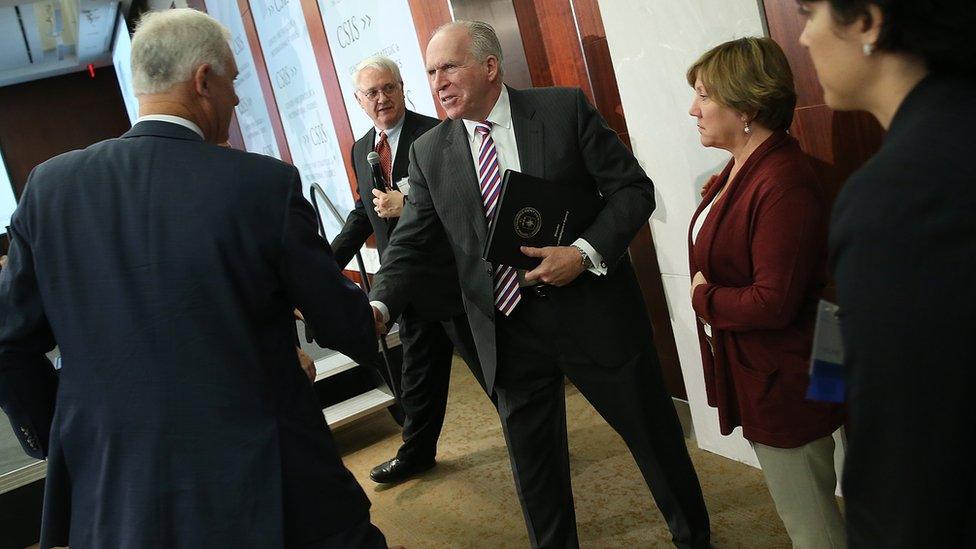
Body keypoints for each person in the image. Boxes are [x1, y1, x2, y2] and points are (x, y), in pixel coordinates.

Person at [0, 9, 388, 548]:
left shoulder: (48, 189)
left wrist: (69, 436)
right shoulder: (262, 186)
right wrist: (378, 310)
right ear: (203, 80)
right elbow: (342, 322)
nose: (236, 100)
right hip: (275, 493)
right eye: (232, 81)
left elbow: (9, 344)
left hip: (119, 504)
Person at [369, 20, 710, 548]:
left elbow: (632, 192)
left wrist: (582, 253)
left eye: (449, 67)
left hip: (592, 315)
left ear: (488, 67)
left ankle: (694, 538)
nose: (438, 81)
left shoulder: (562, 110)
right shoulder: (430, 151)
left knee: (654, 439)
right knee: (535, 471)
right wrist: (381, 303)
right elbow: (411, 243)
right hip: (507, 329)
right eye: (432, 71)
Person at [796, 1, 976, 546]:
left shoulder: (899, 193)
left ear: (869, 20)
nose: (803, 38)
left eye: (809, 12)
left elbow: (904, 453)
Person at [686, 37, 846, 548]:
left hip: (785, 377)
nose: (693, 109)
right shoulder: (737, 170)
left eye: (705, 96)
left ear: (748, 104)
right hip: (768, 369)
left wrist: (703, 298)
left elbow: (771, 302)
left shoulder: (782, 181)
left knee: (812, 526)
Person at [330, 55, 486, 484]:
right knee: (418, 382)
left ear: (402, 89)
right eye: (372, 93)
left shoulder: (438, 133)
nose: (382, 99)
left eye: (389, 89)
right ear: (359, 100)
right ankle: (416, 454)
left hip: (452, 286)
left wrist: (411, 202)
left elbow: (466, 198)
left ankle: (533, 440)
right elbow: (363, 214)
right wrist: (325, 266)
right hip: (405, 292)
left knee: (494, 373)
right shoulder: (362, 149)